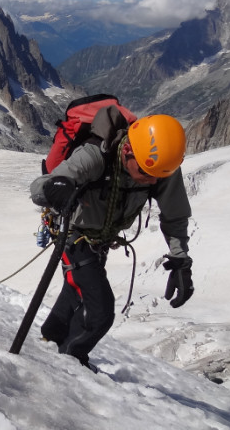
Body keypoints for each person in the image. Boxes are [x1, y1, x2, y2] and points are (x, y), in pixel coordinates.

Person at [30, 112, 194, 370]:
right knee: (100, 312)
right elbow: (39, 187)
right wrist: (56, 188)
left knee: (77, 290)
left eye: (156, 176)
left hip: (101, 239)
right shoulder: (95, 156)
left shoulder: (159, 165)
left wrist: (180, 259)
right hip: (73, 233)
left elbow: (175, 216)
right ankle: (69, 364)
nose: (152, 181)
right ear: (127, 150)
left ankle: (49, 339)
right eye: (145, 172)